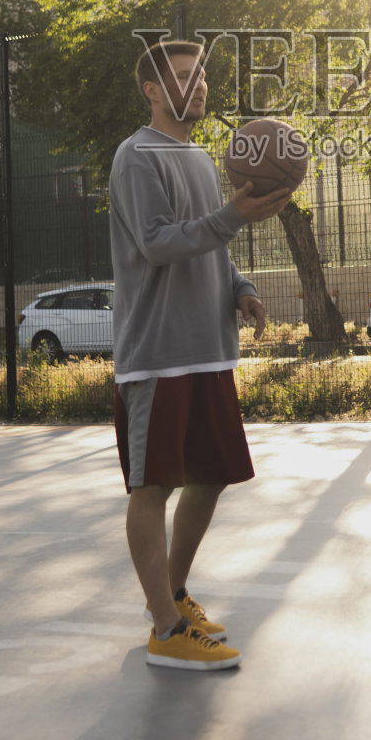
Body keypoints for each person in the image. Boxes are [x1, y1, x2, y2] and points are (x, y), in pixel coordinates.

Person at [109, 40, 295, 671]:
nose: (199, 88)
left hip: (207, 349)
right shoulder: (137, 157)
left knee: (211, 476)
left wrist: (239, 287)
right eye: (184, 79)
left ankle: (175, 596)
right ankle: (164, 630)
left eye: (202, 78)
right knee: (152, 486)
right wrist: (231, 217)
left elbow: (211, 238)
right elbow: (159, 243)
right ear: (153, 91)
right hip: (158, 354)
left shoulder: (196, 156)